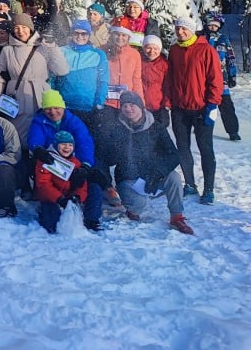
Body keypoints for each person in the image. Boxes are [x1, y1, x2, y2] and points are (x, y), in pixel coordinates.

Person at [99, 91, 194, 234]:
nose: (128, 109)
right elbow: (107, 158)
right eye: (124, 106)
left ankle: (177, 216)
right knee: (139, 205)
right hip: (129, 179)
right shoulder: (117, 127)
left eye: (132, 105)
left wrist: (157, 172)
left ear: (141, 107)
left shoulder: (156, 127)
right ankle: (132, 209)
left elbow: (173, 155)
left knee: (174, 177)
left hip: (152, 176)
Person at [166, 17, 223, 204]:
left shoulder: (206, 50)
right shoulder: (174, 50)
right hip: (179, 109)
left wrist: (212, 105)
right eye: (178, 29)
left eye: (184, 29)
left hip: (201, 108)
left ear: (191, 30)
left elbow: (216, 80)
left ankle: (208, 189)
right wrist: (169, 98)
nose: (180, 32)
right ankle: (190, 183)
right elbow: (170, 76)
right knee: (182, 148)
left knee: (205, 148)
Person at [0, 12, 69, 146]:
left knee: (43, 129)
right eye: (16, 28)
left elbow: (62, 70)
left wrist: (53, 47)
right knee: (18, 134)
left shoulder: (43, 47)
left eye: (24, 27)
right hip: (16, 96)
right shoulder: (8, 50)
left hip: (41, 95)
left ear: (30, 28)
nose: (21, 31)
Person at [32, 131, 103, 233]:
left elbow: (82, 185)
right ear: (56, 145)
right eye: (63, 144)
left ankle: (91, 219)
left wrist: (77, 196)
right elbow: (43, 185)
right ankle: (43, 214)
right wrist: (59, 199)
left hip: (68, 194)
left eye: (70, 145)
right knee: (52, 225)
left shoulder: (76, 162)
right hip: (51, 197)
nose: (67, 148)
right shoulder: (46, 160)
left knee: (94, 189)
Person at [55, 20, 108, 126]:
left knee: (84, 140)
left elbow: (103, 81)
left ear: (89, 35)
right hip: (64, 106)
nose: (80, 37)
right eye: (76, 33)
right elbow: (53, 78)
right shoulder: (60, 51)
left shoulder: (98, 54)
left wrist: (98, 103)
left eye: (84, 33)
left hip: (88, 107)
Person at [204, 13, 240, 141]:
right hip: (203, 77)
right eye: (211, 25)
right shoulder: (201, 38)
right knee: (203, 104)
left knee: (226, 105)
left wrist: (232, 75)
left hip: (221, 77)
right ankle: (202, 127)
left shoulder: (223, 39)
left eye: (215, 25)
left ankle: (232, 131)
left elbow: (230, 58)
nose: (213, 27)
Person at [140, 35, 171, 128]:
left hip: (159, 107)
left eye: (155, 48)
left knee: (159, 133)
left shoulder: (164, 64)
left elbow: (168, 86)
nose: (152, 51)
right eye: (148, 48)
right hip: (142, 106)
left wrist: (166, 104)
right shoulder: (139, 61)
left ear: (160, 49)